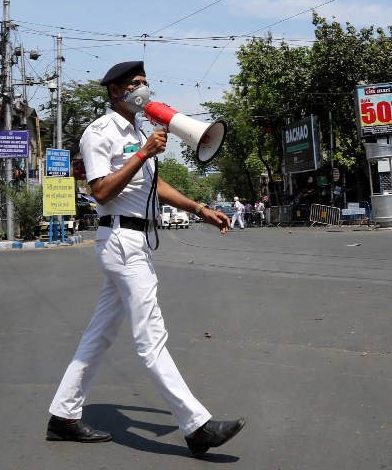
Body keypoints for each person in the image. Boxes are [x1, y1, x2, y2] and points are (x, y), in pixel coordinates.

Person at [47, 61, 245, 457]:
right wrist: (142, 154)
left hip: (134, 240)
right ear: (115, 91)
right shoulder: (99, 133)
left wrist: (199, 209)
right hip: (121, 239)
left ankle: (63, 415)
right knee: (151, 338)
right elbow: (101, 191)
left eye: (144, 82)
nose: (144, 88)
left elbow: (155, 184)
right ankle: (196, 425)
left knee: (99, 335)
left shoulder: (139, 130)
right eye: (135, 84)